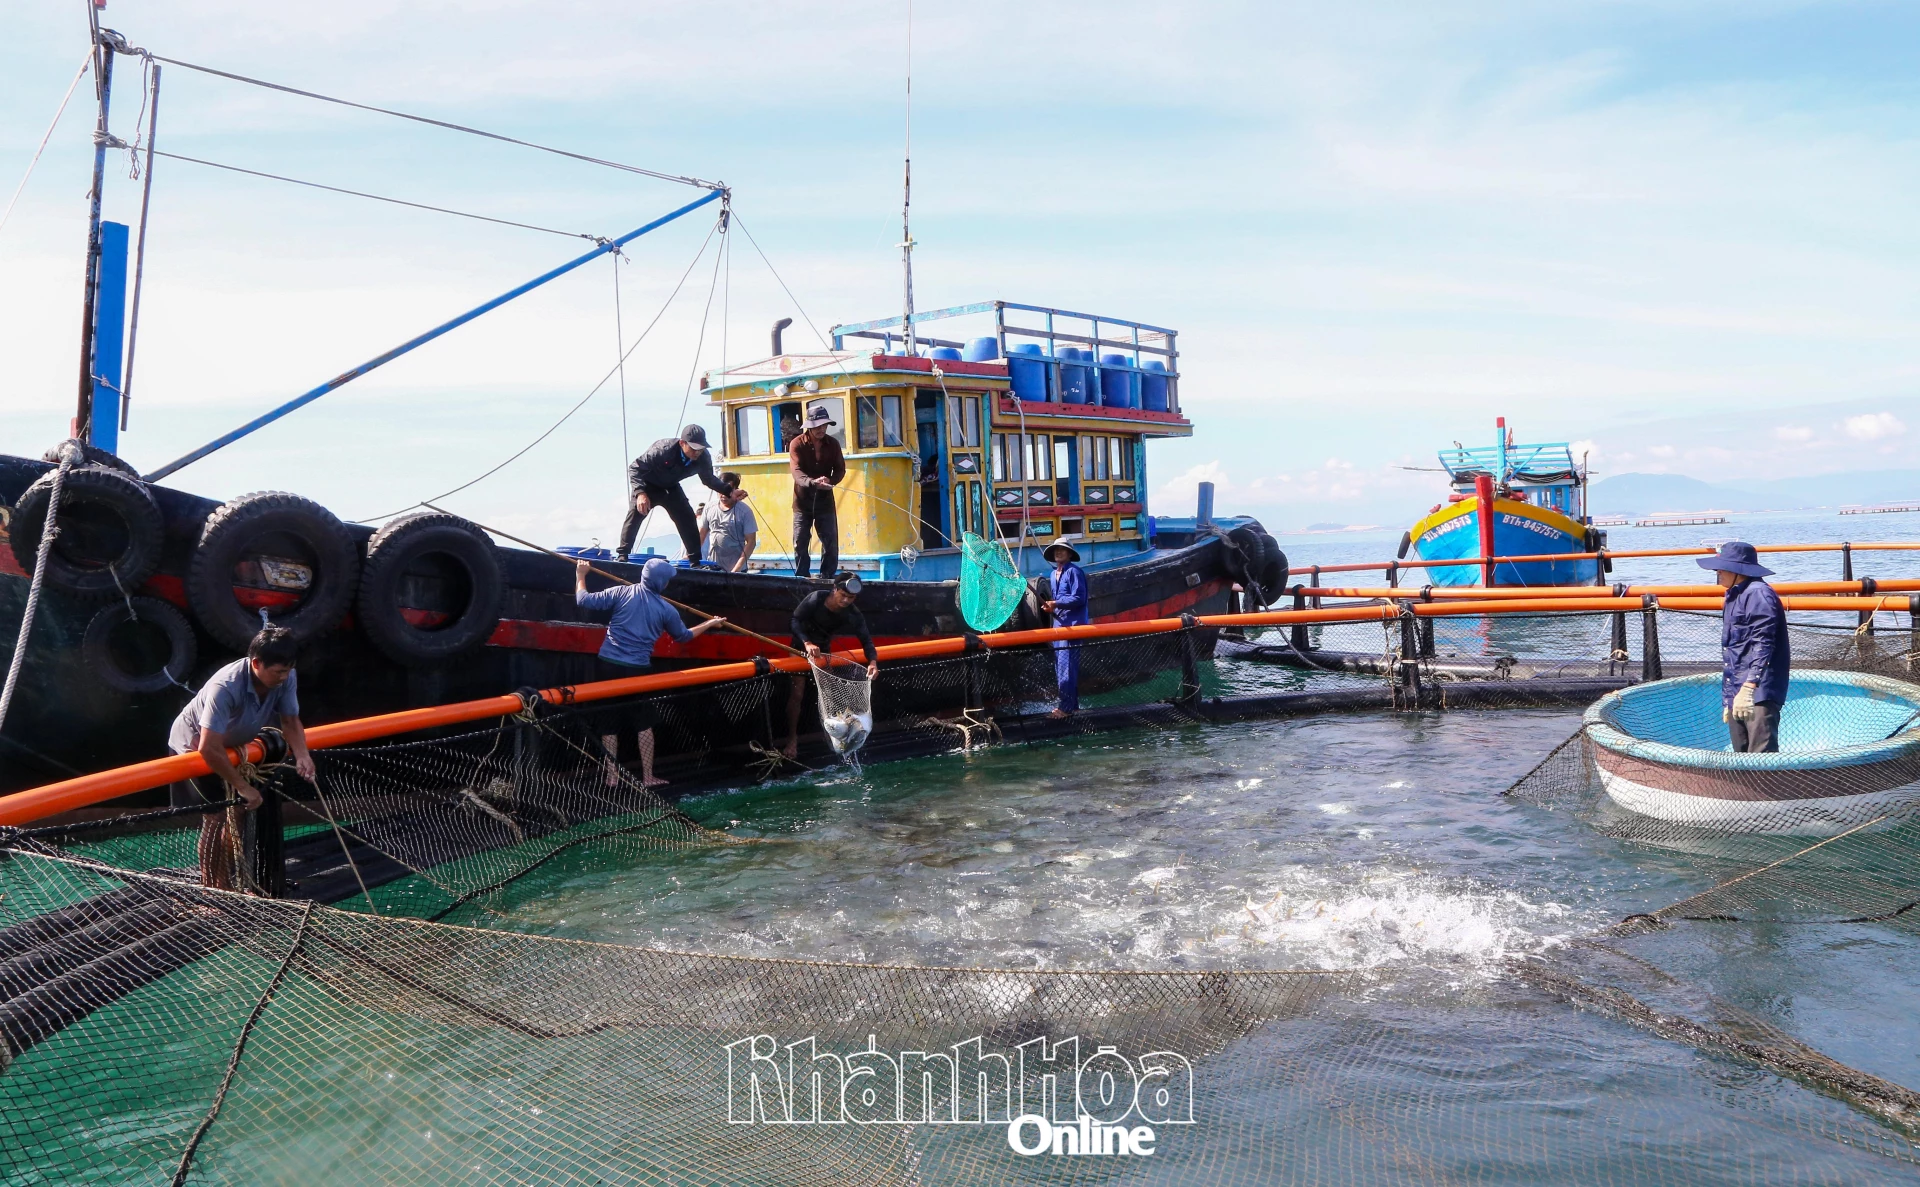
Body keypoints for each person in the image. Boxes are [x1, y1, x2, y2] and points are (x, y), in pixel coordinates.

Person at [167, 625, 316, 891]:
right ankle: (213, 890)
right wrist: (243, 786)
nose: (284, 677)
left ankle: (228, 884)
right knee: (214, 819)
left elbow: (290, 720)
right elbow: (208, 748)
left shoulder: (286, 676)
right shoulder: (225, 687)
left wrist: (303, 755)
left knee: (235, 812)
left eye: (288, 670)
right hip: (194, 750)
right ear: (256, 663)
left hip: (233, 747)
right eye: (278, 671)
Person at [576, 557, 727, 786]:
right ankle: (648, 777)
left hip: (608, 665)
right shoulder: (666, 610)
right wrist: (709, 624)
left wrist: (581, 575)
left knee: (609, 721)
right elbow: (683, 636)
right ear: (662, 583)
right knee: (643, 723)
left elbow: (583, 600)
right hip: (638, 670)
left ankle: (612, 777)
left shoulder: (620, 592)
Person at [1698, 541, 1791, 753]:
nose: (1717, 573)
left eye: (1722, 568)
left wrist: (1749, 688)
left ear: (1738, 570)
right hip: (1737, 689)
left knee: (1760, 757)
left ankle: (1769, 787)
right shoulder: (1734, 593)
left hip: (1758, 692)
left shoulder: (1758, 593)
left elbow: (1764, 643)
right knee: (1740, 754)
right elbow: (1733, 653)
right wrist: (1728, 698)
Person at [783, 571, 879, 758]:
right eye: (842, 595)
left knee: (829, 695)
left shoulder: (853, 613)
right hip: (800, 648)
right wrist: (807, 643)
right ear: (834, 589)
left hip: (824, 652)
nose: (845, 601)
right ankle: (792, 739)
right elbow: (794, 620)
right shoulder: (816, 598)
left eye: (850, 598)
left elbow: (866, 641)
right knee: (797, 693)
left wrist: (873, 662)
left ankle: (833, 737)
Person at [617, 424, 729, 563]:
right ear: (682, 443)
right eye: (694, 448)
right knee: (635, 514)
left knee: (687, 517)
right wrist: (640, 492)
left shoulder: (703, 457)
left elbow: (709, 480)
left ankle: (695, 561)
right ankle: (622, 555)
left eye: (700, 449)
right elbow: (635, 468)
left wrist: (729, 491)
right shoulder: (662, 450)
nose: (697, 453)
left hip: (670, 487)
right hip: (647, 485)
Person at [789, 405, 846, 578]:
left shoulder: (833, 444)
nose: (822, 429)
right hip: (802, 502)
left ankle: (828, 577)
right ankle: (801, 577)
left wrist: (830, 481)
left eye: (824, 425)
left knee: (830, 542)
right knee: (800, 541)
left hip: (825, 501)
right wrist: (812, 482)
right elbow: (796, 472)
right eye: (818, 426)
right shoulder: (797, 443)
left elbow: (840, 470)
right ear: (809, 426)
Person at [1040, 538, 1090, 719]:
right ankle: (1072, 706)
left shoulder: (1075, 572)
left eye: (1062, 550)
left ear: (1069, 554)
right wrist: (1050, 606)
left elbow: (1079, 598)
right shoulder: (1053, 575)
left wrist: (1056, 603)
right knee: (1061, 668)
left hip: (1073, 627)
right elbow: (1057, 602)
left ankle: (1066, 709)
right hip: (1059, 627)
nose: (1058, 553)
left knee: (1067, 668)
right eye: (1056, 550)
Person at [698, 471, 759, 574]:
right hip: (713, 568)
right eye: (720, 490)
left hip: (737, 571)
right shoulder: (709, 508)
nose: (723, 494)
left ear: (736, 490)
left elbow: (751, 542)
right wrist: (691, 557)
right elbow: (701, 535)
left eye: (728, 490)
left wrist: (737, 569)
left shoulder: (745, 512)